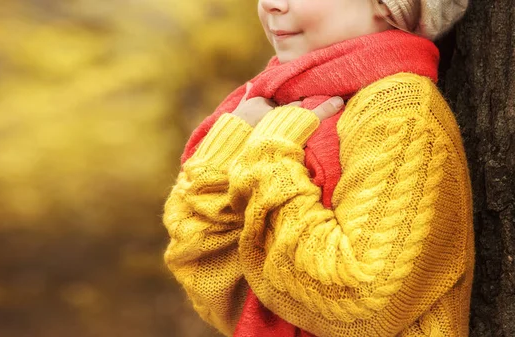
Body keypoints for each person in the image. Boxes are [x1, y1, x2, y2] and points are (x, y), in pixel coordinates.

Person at [163, 0, 473, 336]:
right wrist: (231, 143)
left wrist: (268, 156)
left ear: (386, 6)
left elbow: (360, 306)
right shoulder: (279, 101)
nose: (271, 4)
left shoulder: (401, 109)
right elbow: (207, 275)